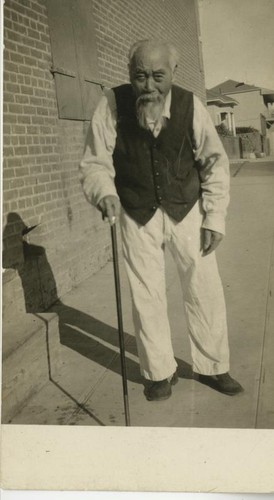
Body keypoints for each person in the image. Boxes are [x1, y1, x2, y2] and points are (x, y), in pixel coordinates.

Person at [79, 39, 244, 401]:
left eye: (158, 76)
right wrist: (103, 192)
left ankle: (213, 367)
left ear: (173, 73)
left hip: (187, 209)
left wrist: (214, 217)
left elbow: (215, 162)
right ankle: (158, 372)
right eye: (140, 77)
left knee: (204, 289)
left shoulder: (191, 105)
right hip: (136, 212)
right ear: (129, 74)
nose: (149, 86)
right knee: (146, 293)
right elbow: (95, 162)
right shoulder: (111, 104)